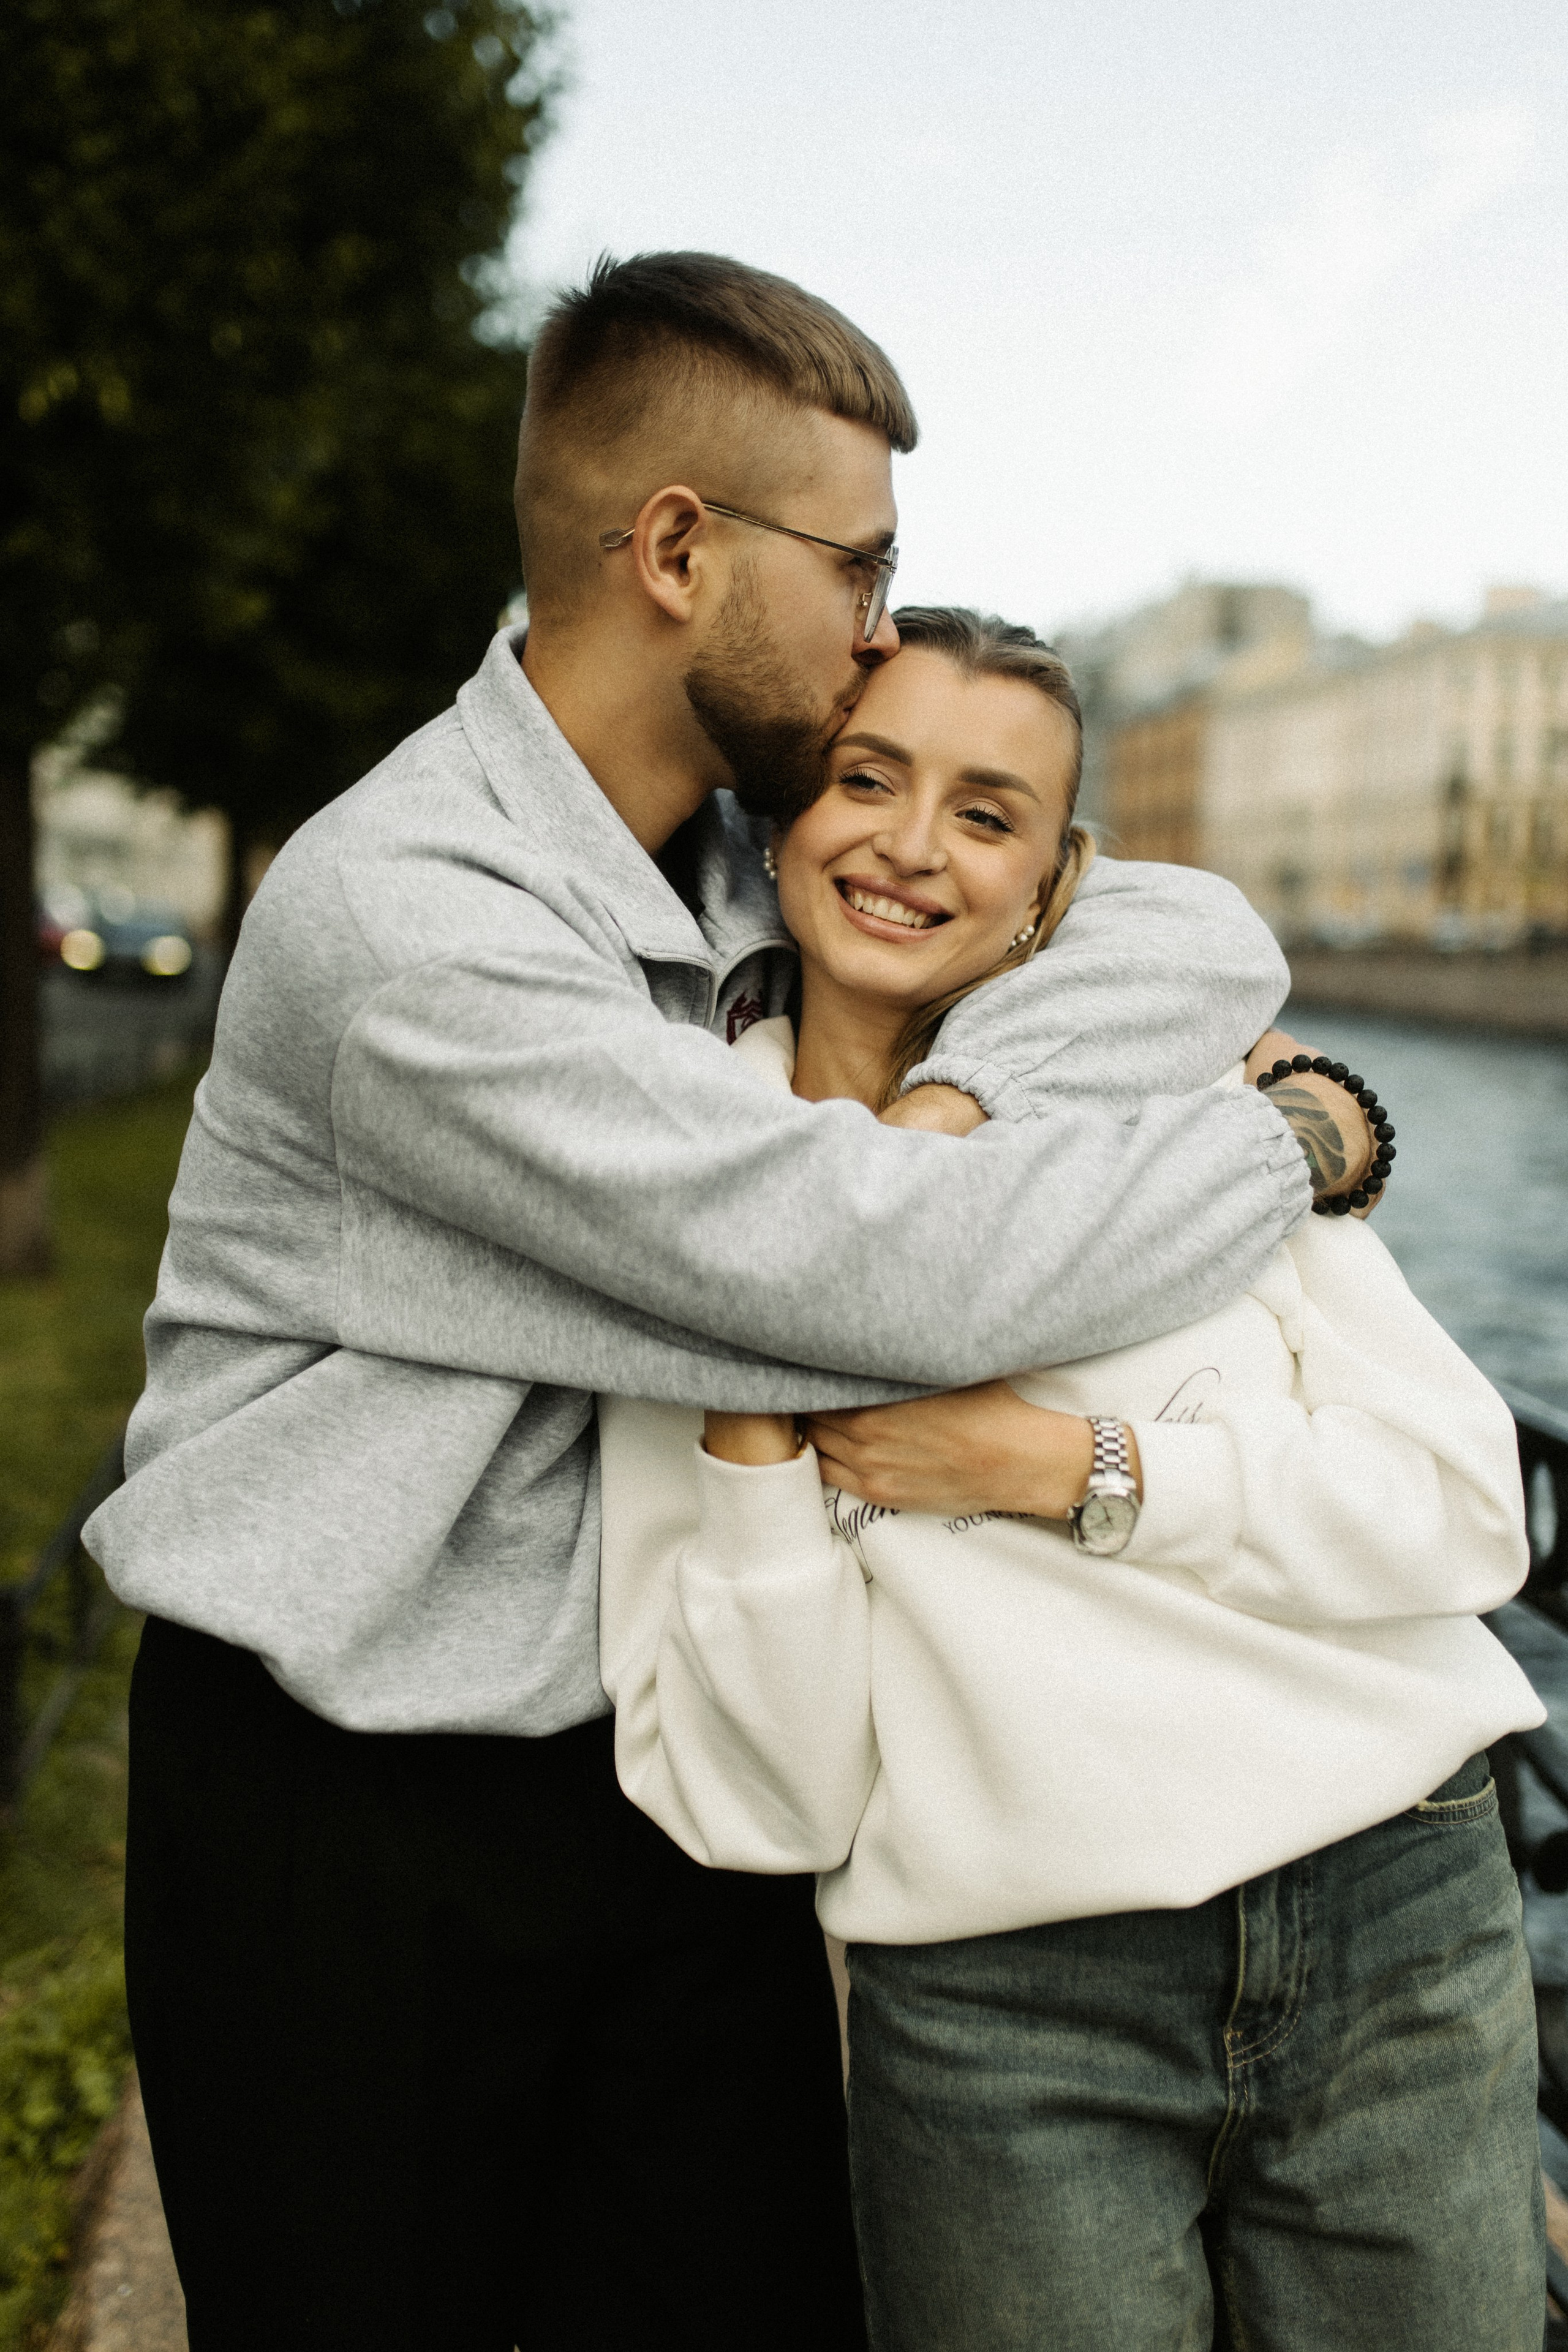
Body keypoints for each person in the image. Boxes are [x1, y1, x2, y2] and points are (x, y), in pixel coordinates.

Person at [85, 255, 1371, 2351]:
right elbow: (883, 1283)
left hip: (667, 1785)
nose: (879, 627)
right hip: (354, 1812)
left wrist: (955, 1096)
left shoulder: (731, 844)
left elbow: (1185, 932)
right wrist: (1290, 1144)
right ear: (678, 551)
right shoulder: (415, 926)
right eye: (861, 565)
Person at [600, 606, 1545, 2352]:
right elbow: (767, 1807)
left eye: (988, 813)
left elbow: (1468, 1507)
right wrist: (752, 1405)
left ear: (1049, 888)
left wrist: (1073, 1467)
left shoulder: (1174, 1102)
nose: (912, 845)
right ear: (778, 823)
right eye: (866, 780)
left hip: (1395, 1912)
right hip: (1003, 2008)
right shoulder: (689, 1205)